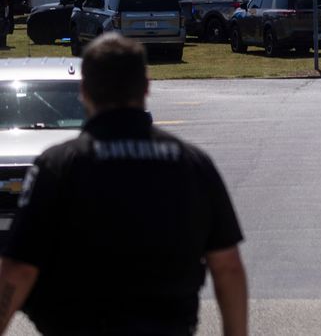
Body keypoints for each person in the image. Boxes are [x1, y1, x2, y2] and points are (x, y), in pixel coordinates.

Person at [0, 34, 248, 335]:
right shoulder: (192, 163)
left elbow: (19, 271)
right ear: (146, 86)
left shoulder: (59, 166)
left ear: (85, 91)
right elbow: (227, 266)